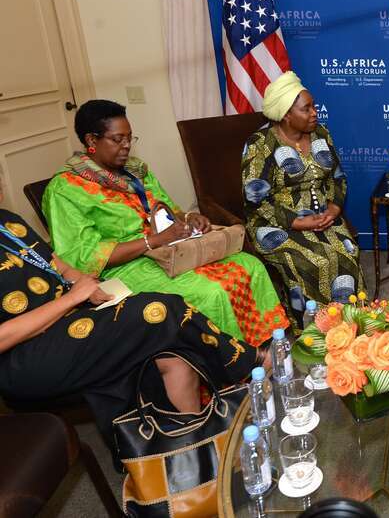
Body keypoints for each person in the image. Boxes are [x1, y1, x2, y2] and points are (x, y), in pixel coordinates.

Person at [0, 205, 267, 452]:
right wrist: (72, 298)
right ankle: (251, 361)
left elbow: (57, 265)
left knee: (174, 352)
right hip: (25, 357)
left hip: (70, 316)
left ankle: (196, 446)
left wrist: (85, 285)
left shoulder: (7, 219)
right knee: (159, 310)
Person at [42, 99, 288, 348]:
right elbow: (83, 257)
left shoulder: (135, 172)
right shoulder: (65, 189)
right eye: (118, 139)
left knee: (249, 265)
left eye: (129, 137)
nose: (127, 145)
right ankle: (229, 360)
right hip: (125, 267)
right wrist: (153, 240)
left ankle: (266, 346)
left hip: (169, 248)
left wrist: (189, 218)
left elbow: (169, 210)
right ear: (91, 141)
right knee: (211, 292)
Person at [241, 71, 365, 317]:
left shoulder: (321, 134)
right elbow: (255, 199)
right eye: (306, 109)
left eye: (313, 106)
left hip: (322, 215)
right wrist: (296, 221)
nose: (314, 113)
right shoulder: (260, 144)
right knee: (311, 261)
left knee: (347, 252)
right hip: (276, 222)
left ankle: (350, 319)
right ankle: (313, 327)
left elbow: (337, 177)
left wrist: (334, 208)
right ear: (286, 114)